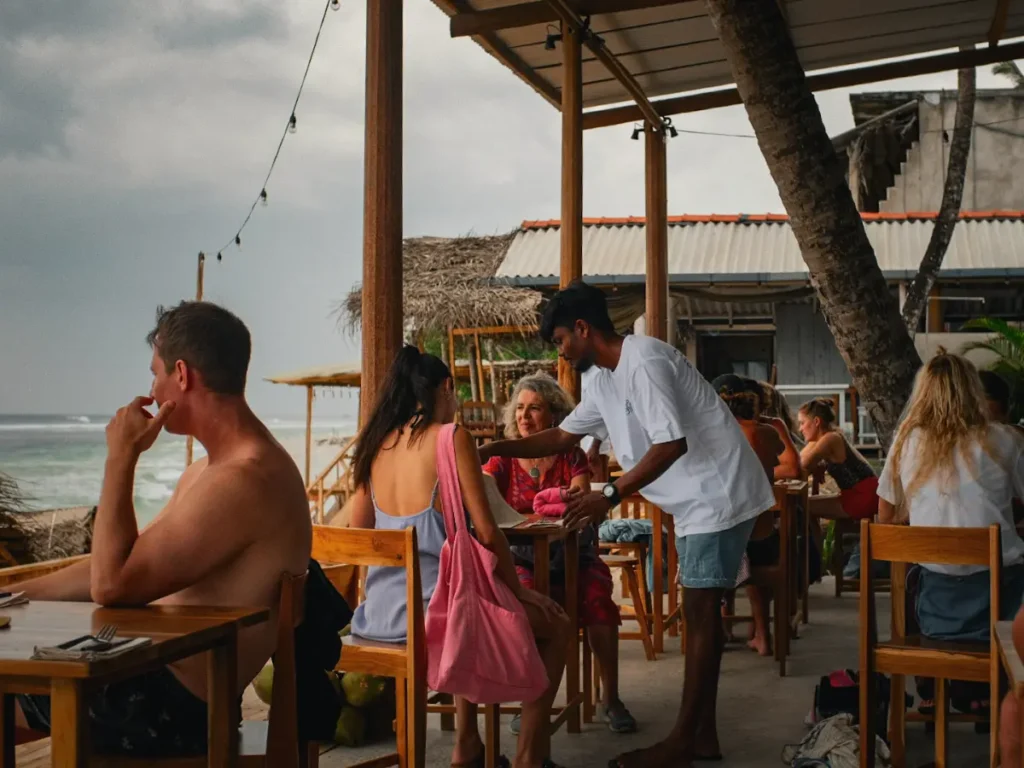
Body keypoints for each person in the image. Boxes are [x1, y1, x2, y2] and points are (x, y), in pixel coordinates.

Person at [479, 282, 776, 768]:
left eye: (560, 341)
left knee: (699, 615)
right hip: (695, 501)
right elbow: (561, 435)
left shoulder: (644, 361)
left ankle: (681, 744)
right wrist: (496, 449)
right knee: (701, 615)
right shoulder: (601, 378)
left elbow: (671, 443)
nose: (561, 353)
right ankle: (702, 736)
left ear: (582, 328)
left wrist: (609, 495)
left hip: (716, 494)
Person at [13, 301, 312, 756]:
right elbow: (118, 562)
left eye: (155, 374)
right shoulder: (214, 473)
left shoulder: (244, 480)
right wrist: (20, 592)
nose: (150, 389)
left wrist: (121, 458)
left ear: (182, 375)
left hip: (172, 710)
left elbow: (111, 585)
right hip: (156, 684)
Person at [345, 347, 570, 768]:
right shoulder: (452, 438)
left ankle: (468, 745)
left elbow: (361, 535)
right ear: (447, 388)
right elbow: (486, 532)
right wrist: (522, 594)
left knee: (466, 602)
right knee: (555, 624)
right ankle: (528, 759)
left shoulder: (375, 444)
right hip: (438, 619)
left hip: (377, 619)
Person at [484, 373, 636, 734]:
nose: (524, 416)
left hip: (574, 558)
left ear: (553, 415)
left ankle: (610, 698)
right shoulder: (502, 459)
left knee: (600, 603)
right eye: (519, 408)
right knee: (528, 612)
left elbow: (580, 497)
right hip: (521, 560)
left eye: (534, 408)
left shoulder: (571, 455)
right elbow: (486, 495)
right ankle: (533, 704)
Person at [878, 353, 1024, 716]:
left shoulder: (906, 443)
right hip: (1002, 614)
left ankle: (935, 692)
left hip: (936, 618)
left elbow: (885, 518)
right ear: (973, 391)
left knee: (917, 570)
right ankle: (1006, 706)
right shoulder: (1006, 440)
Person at [711, 375, 785, 656]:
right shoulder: (765, 432)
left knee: (714, 543)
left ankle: (718, 628)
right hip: (763, 537)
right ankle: (763, 635)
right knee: (747, 540)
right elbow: (778, 456)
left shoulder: (715, 438)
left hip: (727, 542)